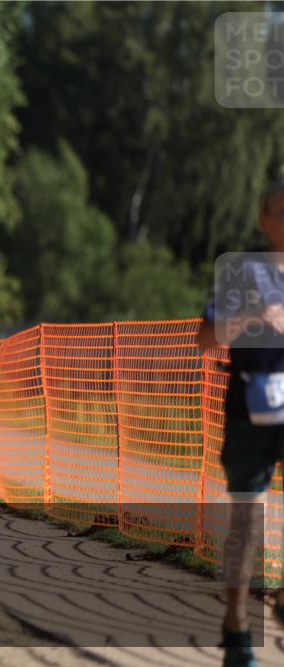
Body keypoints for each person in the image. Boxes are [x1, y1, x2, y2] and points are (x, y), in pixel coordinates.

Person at [196, 182, 284, 667]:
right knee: (248, 524)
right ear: (264, 220)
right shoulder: (245, 272)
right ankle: (236, 626)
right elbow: (206, 338)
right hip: (250, 409)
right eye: (283, 211)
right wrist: (256, 317)